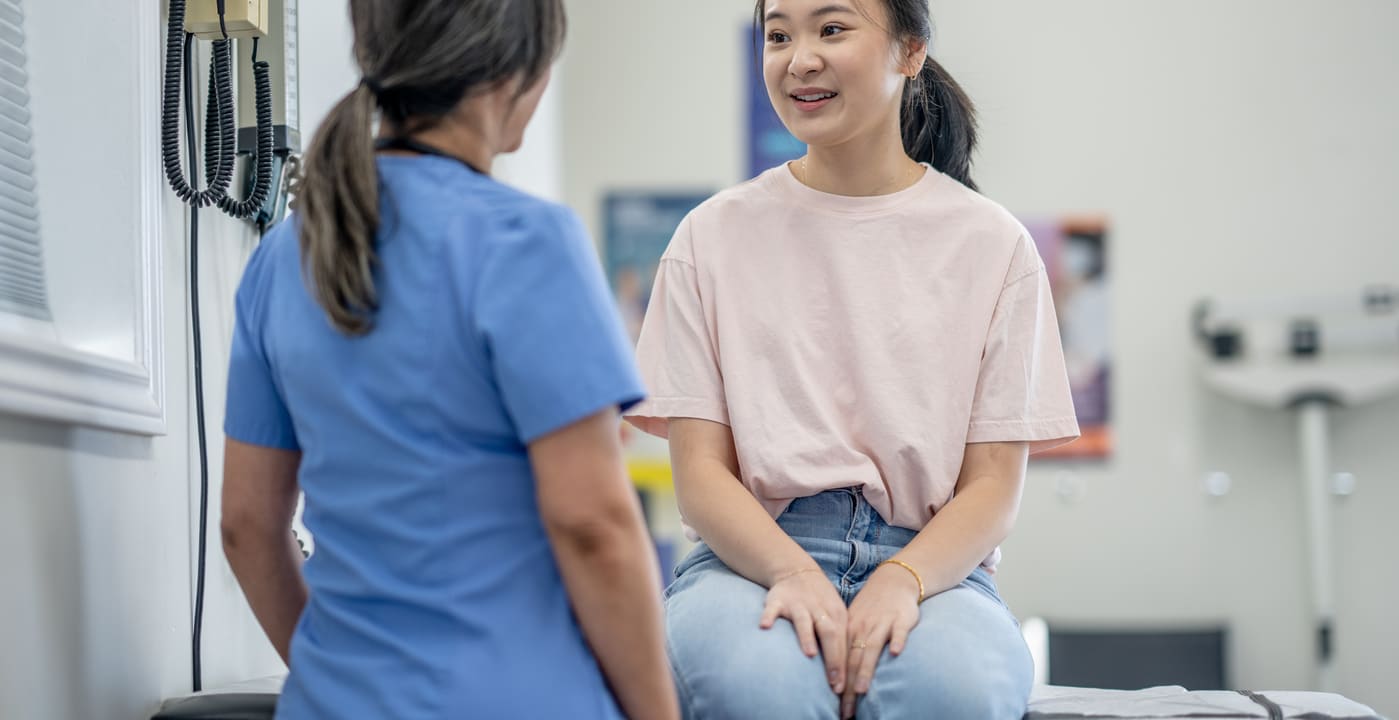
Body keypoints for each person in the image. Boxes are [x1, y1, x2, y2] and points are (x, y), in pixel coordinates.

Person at [219, 2, 678, 718]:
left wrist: (329, 678)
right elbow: (593, 526)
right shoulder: (528, 242)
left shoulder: (285, 254)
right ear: (515, 71)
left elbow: (246, 523)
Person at [623, 0, 1080, 717]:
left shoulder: (993, 246)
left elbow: (992, 487)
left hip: (936, 568)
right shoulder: (709, 237)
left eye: (831, 29)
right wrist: (790, 570)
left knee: (952, 691)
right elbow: (700, 475)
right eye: (777, 35)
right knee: (758, 688)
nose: (798, 58)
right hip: (749, 557)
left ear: (910, 51)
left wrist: (901, 577)